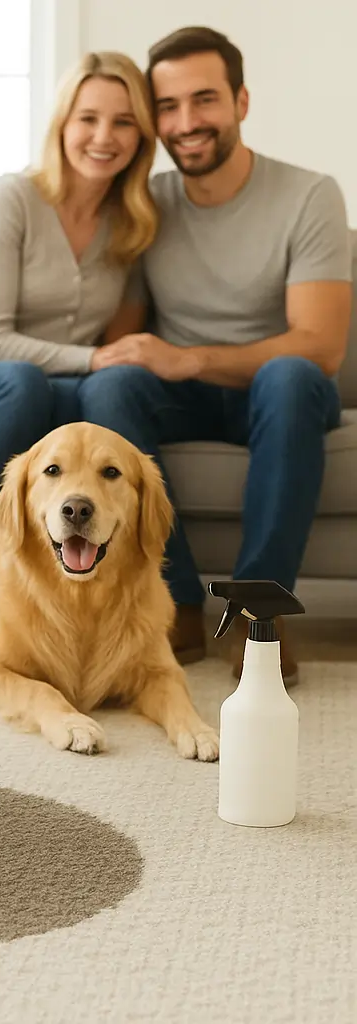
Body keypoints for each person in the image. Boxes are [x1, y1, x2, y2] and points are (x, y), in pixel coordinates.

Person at [80, 26, 352, 683]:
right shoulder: (147, 202)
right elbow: (120, 335)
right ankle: (173, 605)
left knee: (291, 374)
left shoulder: (309, 194)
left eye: (204, 100)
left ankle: (262, 609)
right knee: (111, 388)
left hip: (276, 396)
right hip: (185, 403)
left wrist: (190, 359)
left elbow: (320, 345)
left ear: (242, 101)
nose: (186, 122)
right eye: (168, 106)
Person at [0, 51, 159, 520]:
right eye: (88, 119)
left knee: (88, 396)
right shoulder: (12, 197)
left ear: (141, 135)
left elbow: (117, 346)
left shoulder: (133, 224)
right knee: (22, 381)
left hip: (53, 387)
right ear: (62, 124)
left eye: (123, 122)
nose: (104, 137)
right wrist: (94, 359)